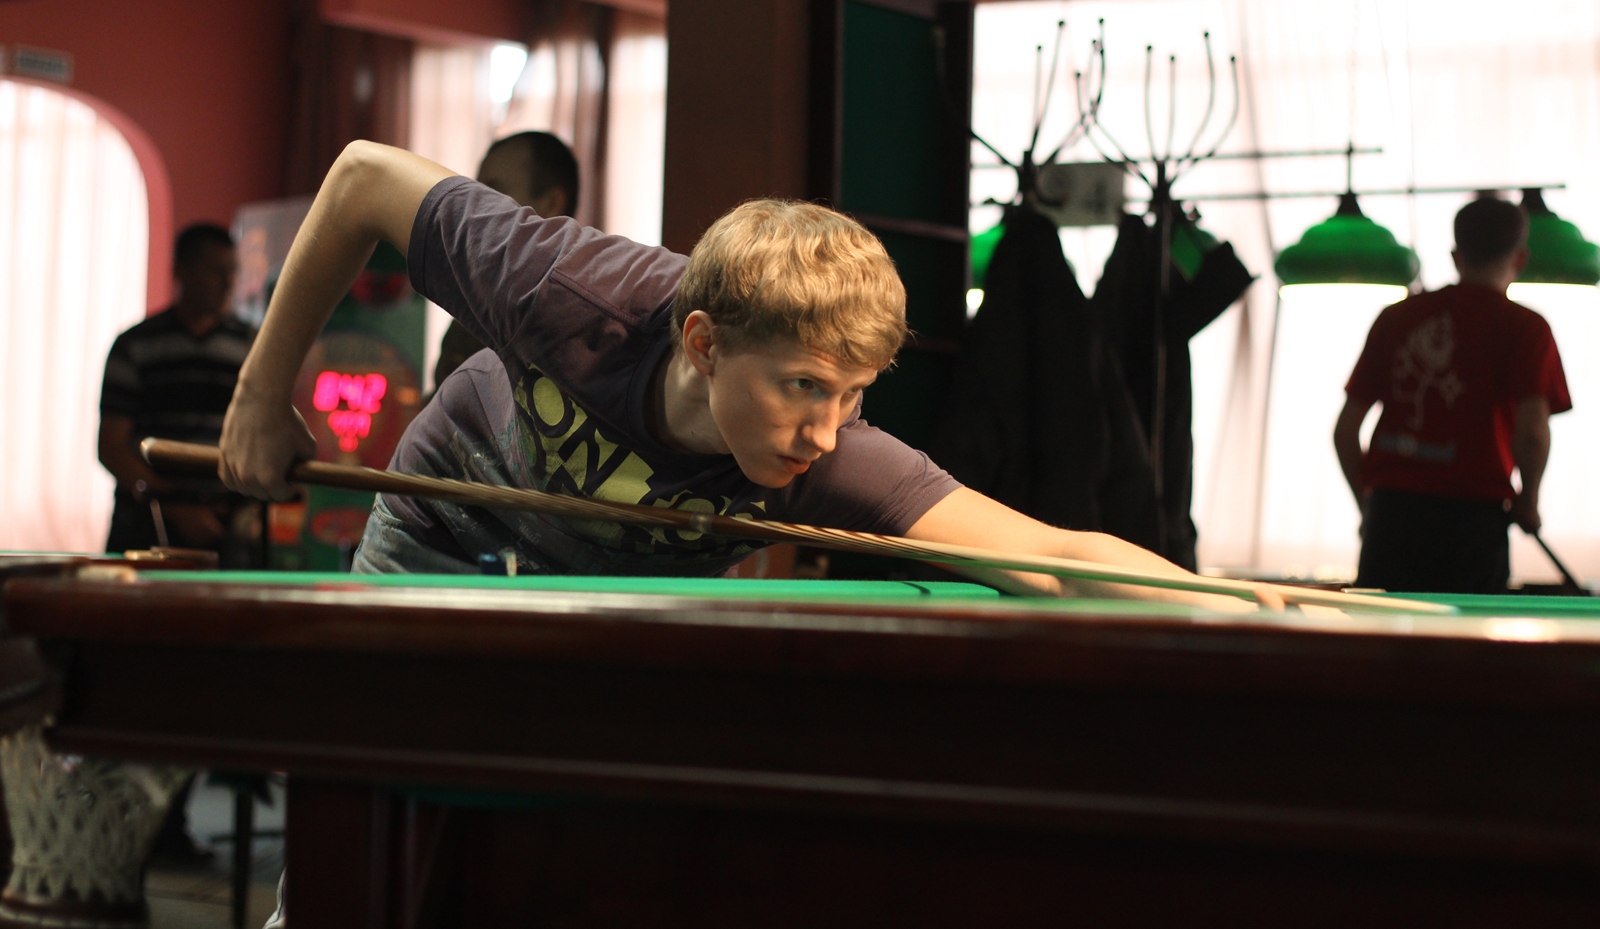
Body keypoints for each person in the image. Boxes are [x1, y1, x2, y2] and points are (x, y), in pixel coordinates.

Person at [217, 140, 1216, 598]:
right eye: (804, 386)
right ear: (704, 343)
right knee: (362, 833)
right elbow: (363, 177)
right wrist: (261, 396)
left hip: (615, 600)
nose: (825, 430)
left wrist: (1249, 609)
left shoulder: (823, 454)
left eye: (852, 395)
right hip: (442, 536)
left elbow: (1054, 556)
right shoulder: (568, 290)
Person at [1335, 197, 1572, 594]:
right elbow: (1532, 433)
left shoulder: (1397, 317)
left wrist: (1368, 505)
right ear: (1520, 258)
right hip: (1473, 524)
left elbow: (1345, 431)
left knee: (1382, 633)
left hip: (1392, 519)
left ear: (1456, 256)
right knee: (1467, 634)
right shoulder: (1526, 328)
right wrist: (1529, 500)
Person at [100, 223, 256, 558]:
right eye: (216, 271)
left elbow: (264, 438)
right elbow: (111, 447)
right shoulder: (134, 345)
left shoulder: (253, 346)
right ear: (181, 271)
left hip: (226, 524)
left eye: (232, 271)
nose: (228, 282)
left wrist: (248, 511)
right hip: (143, 522)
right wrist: (176, 509)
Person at [433, 131, 580, 390]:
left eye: (492, 193)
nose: (473, 210)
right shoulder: (479, 307)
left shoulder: (583, 317)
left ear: (552, 204)